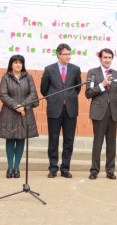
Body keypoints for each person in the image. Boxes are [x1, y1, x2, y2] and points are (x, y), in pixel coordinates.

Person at [85, 48, 117, 180]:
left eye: (110, 58)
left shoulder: (116, 73)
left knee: (111, 143)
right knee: (98, 142)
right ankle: (94, 170)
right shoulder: (93, 73)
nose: (107, 60)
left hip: (113, 111)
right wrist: (102, 84)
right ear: (100, 58)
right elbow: (88, 93)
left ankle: (110, 170)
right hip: (99, 111)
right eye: (105, 57)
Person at [41, 43, 82, 178]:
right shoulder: (49, 69)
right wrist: (54, 99)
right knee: (53, 139)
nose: (68, 56)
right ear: (58, 54)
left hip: (70, 109)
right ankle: (53, 167)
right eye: (65, 54)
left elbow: (78, 88)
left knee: (69, 140)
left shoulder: (75, 69)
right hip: (54, 108)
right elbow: (44, 89)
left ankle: (65, 168)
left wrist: (68, 97)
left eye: (70, 54)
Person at [0, 55, 39, 178]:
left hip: (25, 113)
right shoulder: (5, 78)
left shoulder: (28, 77)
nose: (18, 65)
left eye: (20, 63)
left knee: (21, 139)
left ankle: (17, 168)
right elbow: (3, 95)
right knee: (10, 139)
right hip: (9, 112)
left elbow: (33, 94)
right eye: (15, 62)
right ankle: (10, 167)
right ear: (11, 65)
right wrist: (16, 106)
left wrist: (23, 106)